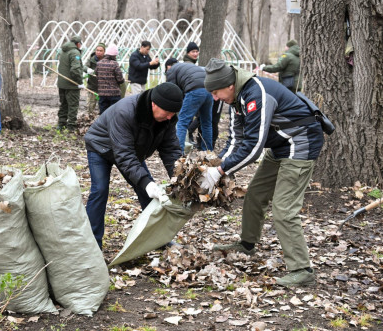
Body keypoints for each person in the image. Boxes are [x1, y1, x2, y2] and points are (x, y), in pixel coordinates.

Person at [200, 58, 324, 287]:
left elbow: (253, 148)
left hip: (301, 141)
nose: (215, 98)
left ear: (229, 85)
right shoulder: (237, 98)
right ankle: (247, 245)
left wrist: (220, 171)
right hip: (281, 144)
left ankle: (302, 269)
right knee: (255, 194)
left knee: (284, 208)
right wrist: (216, 166)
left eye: (216, 92)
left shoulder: (257, 95)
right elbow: (236, 139)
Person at [84, 82, 183, 249]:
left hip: (130, 152)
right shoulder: (125, 112)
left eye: (173, 114)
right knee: (100, 190)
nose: (169, 117)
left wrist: (181, 176)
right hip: (101, 147)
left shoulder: (167, 118)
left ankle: (159, 240)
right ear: (154, 104)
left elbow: (170, 150)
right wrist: (147, 182)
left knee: (148, 194)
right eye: (167, 113)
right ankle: (92, 244)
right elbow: (124, 155)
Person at [165, 58, 213, 152]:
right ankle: (208, 152)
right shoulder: (186, 67)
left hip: (194, 89)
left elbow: (172, 91)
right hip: (209, 89)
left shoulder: (170, 71)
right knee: (206, 123)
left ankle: (178, 153)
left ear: (168, 68)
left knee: (182, 122)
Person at [57, 35, 84, 132]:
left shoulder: (63, 51)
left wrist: (86, 69)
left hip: (62, 83)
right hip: (72, 85)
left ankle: (61, 124)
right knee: (73, 105)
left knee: (63, 104)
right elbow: (75, 69)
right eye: (80, 44)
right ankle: (71, 127)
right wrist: (80, 81)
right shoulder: (75, 52)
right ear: (77, 44)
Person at [96, 44, 124, 115]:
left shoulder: (99, 63)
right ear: (114, 56)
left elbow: (96, 73)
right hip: (114, 94)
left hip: (102, 94)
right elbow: (120, 79)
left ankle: (103, 126)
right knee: (114, 114)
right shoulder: (115, 64)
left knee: (103, 114)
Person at [84, 43, 105, 114]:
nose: (98, 52)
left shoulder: (107, 60)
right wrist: (88, 70)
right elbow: (84, 67)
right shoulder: (91, 59)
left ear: (104, 52)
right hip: (92, 86)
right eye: (97, 50)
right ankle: (88, 119)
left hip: (103, 88)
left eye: (100, 51)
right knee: (90, 106)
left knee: (103, 107)